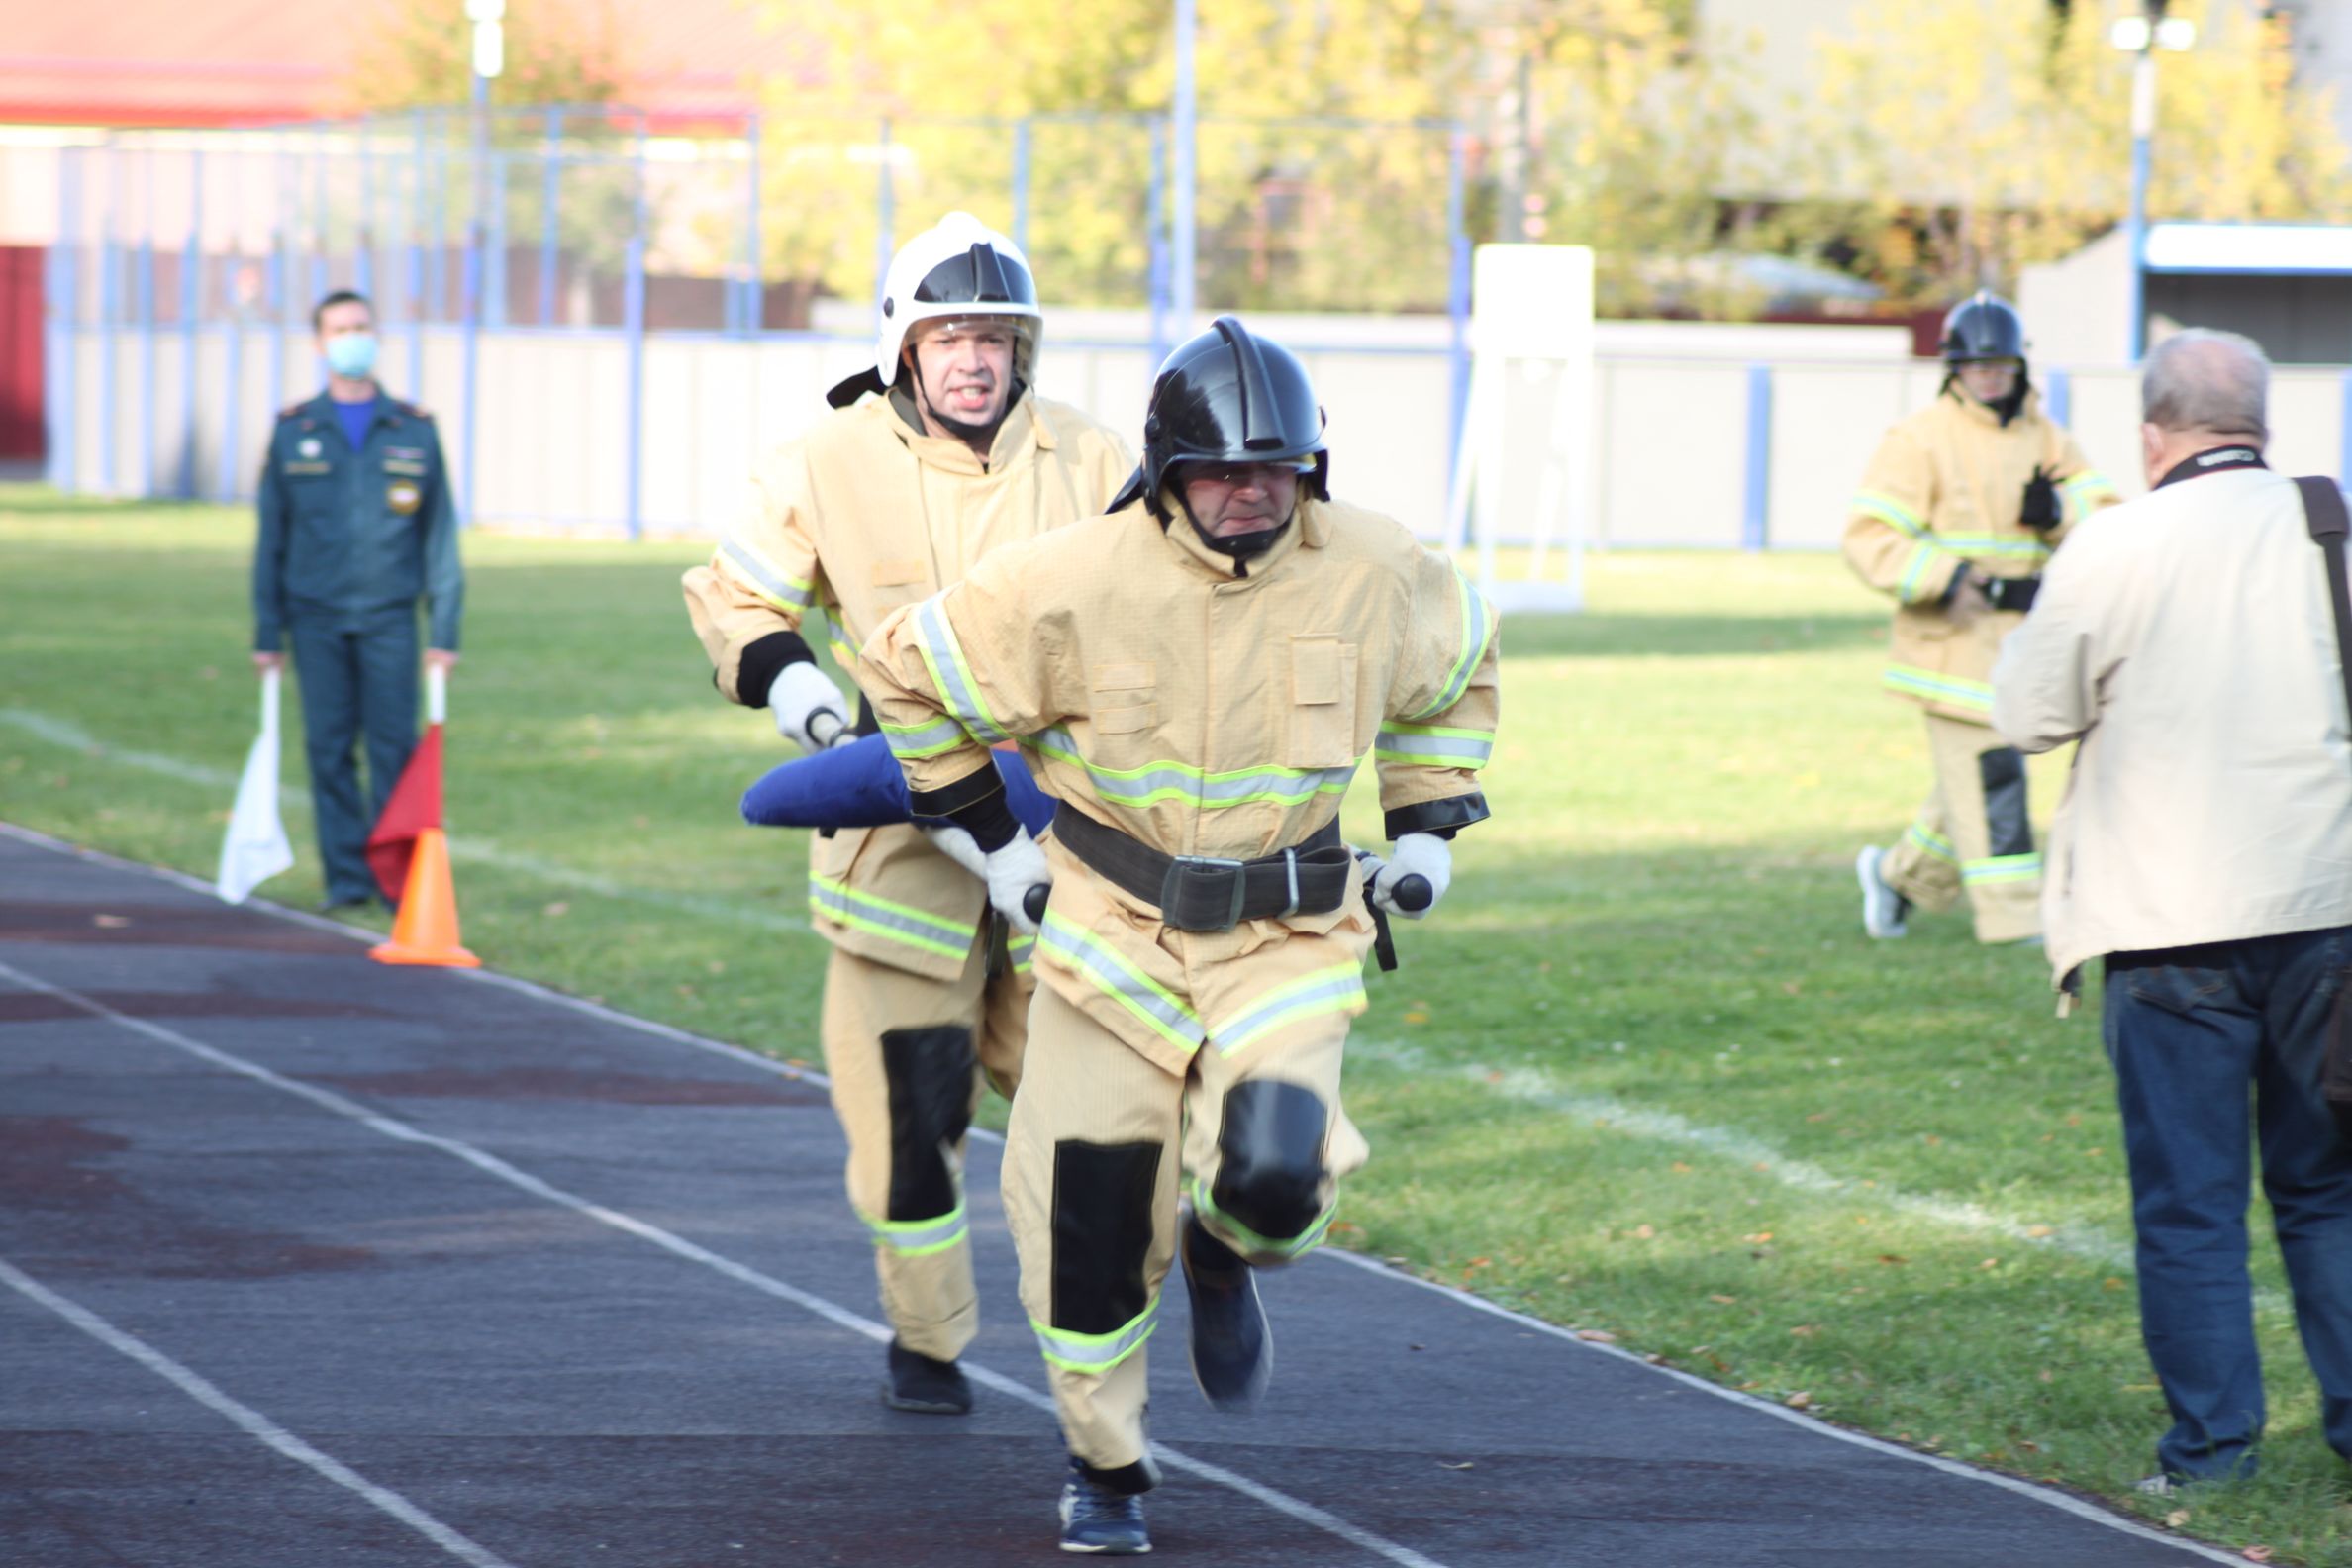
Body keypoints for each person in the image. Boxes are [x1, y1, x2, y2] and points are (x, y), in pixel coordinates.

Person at [859, 316, 1499, 1554]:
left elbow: (1455, 672)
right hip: (1107, 940)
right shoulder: (1070, 578)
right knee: (1092, 1223)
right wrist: (994, 847)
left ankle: (1222, 1248)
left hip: (1290, 932)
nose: (1250, 491)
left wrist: (1425, 829)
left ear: (1312, 469)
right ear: (1165, 473)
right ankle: (1107, 1468)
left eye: (1277, 468)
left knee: (1272, 1174)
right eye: (1220, 471)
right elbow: (905, 670)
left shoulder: (1379, 566)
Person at [681, 213, 1131, 1416]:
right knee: (907, 1122)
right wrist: (789, 681)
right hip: (898, 859)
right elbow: (741, 593)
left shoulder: (1095, 463)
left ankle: (1110, 1342)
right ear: (904, 348)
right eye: (949, 336)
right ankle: (926, 1340)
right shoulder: (823, 461)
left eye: (994, 336)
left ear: (1021, 349)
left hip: (1064, 850)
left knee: (1103, 1121)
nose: (973, 359)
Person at [1993, 329, 2352, 1490]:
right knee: (2329, 1192)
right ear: (2263, 426)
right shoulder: (2332, 532)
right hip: (2329, 908)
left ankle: (2211, 1451)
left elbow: (2028, 715)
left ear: (2152, 436)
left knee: (2191, 1207)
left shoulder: (2118, 542)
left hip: (2168, 919)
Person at [1843, 290, 2119, 945]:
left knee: (1968, 781)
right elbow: (1870, 535)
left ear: (2019, 367)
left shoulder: (2048, 438)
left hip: (2026, 642)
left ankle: (1896, 878)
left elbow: (2106, 521)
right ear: (1954, 369)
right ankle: (2015, 918)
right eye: (1977, 365)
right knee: (1994, 774)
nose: (1990, 375)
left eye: (2000, 364)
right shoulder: (1917, 440)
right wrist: (1947, 576)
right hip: (1953, 642)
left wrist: (2058, 517)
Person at [251, 289, 460, 913]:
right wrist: (268, 632)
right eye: (340, 329)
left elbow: (441, 538)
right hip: (314, 618)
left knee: (394, 748)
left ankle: (396, 878)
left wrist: (443, 630)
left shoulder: (414, 428)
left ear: (377, 335)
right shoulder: (294, 429)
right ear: (319, 344)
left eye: (362, 326)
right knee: (329, 749)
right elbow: (272, 537)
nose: (352, 337)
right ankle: (346, 878)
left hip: (390, 617)